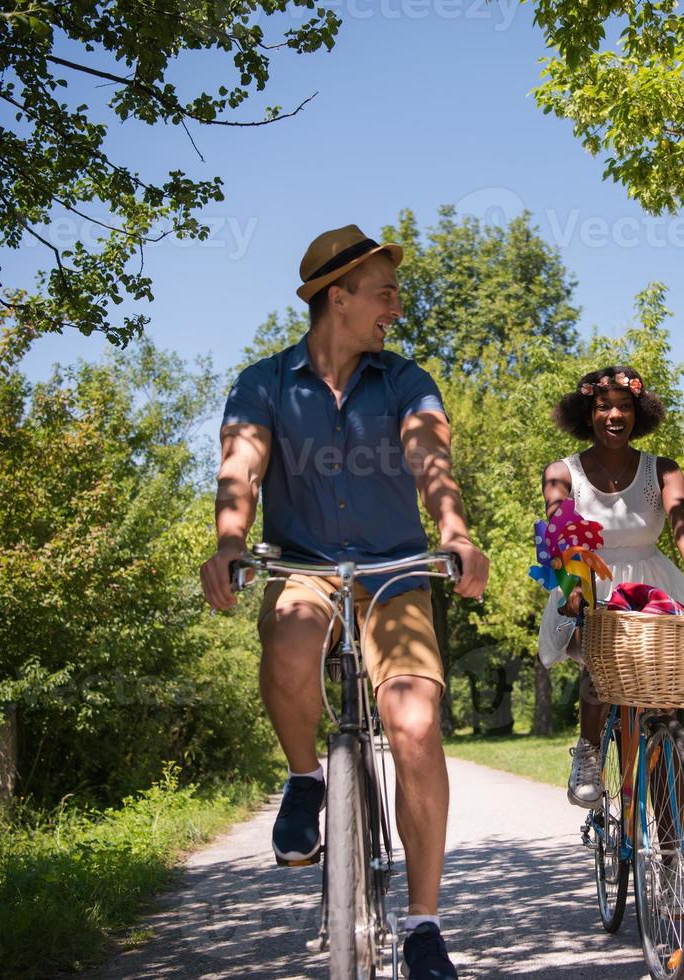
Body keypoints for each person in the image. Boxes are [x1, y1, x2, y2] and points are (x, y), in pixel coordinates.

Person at [199, 224, 489, 980]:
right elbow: (242, 467)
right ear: (339, 296)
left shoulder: (403, 379)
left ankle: (423, 927)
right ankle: (305, 778)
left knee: (416, 723)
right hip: (303, 565)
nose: (395, 305)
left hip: (394, 569)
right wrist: (231, 542)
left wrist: (454, 531)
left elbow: (431, 458)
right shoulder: (263, 383)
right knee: (291, 642)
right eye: (383, 291)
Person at [536, 366, 684, 808]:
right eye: (603, 406)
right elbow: (560, 526)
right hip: (586, 580)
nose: (614, 415)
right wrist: (574, 587)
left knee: (660, 701)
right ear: (587, 414)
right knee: (599, 666)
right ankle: (587, 755)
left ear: (637, 413)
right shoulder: (562, 472)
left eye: (624, 406)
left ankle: (667, 835)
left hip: (652, 588)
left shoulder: (662, 470)